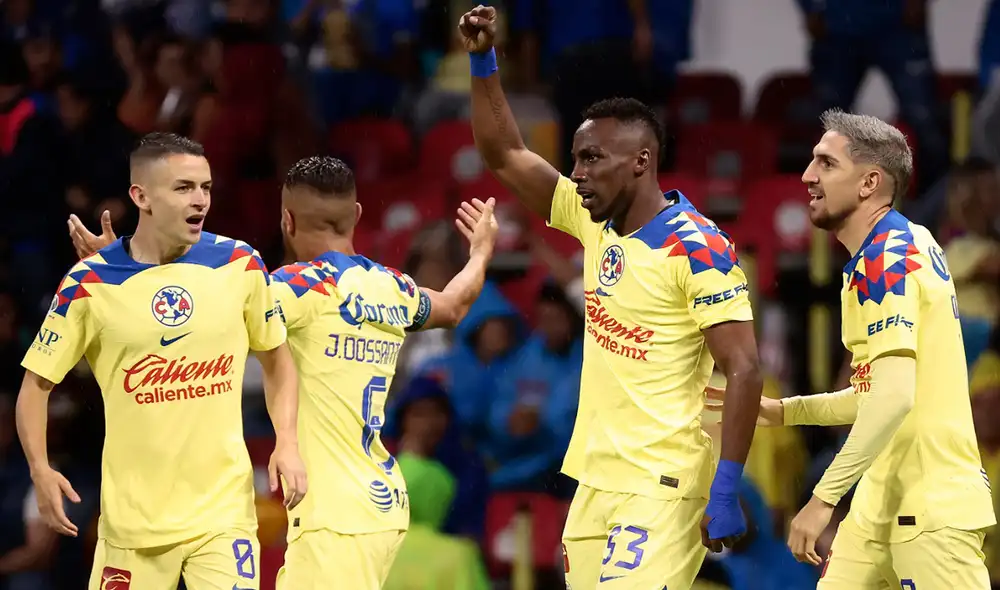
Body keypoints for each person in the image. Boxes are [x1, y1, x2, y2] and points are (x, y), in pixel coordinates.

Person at [69, 155, 500, 590]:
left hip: (334, 517)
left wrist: (122, 269)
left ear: (287, 221)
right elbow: (454, 304)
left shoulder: (296, 288)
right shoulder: (394, 287)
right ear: (355, 216)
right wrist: (480, 252)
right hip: (382, 502)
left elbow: (193, 309)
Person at [457, 6, 764, 589]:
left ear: (641, 162)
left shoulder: (697, 247)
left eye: (592, 158)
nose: (576, 173)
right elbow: (505, 155)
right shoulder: (593, 219)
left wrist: (726, 485)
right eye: (575, 158)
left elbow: (745, 366)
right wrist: (483, 62)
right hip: (595, 479)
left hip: (664, 485)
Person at [716, 109, 996, 588]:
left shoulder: (888, 257)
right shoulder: (895, 248)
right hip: (879, 503)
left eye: (826, 164)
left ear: (869, 182)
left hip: (928, 503)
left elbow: (893, 398)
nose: (807, 176)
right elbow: (872, 393)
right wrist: (783, 411)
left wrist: (822, 499)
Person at [18, 132, 308, 590]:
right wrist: (39, 466)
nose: (200, 200)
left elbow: (276, 356)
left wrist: (287, 440)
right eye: (183, 188)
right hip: (133, 528)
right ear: (141, 196)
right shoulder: (91, 282)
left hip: (223, 516)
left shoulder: (240, 263)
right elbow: (35, 386)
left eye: (206, 187)